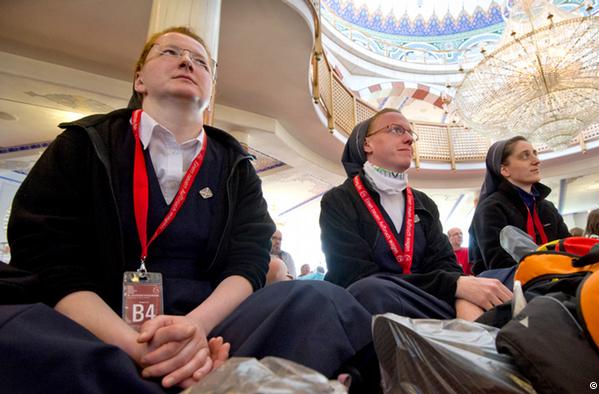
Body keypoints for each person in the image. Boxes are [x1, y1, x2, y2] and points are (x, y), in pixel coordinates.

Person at [0, 27, 375, 393]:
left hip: (215, 328)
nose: (186, 61)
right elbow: (48, 256)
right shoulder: (84, 144)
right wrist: (135, 346)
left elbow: (248, 259)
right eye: (170, 52)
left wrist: (196, 330)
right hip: (95, 324)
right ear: (139, 80)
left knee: (318, 301)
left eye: (201, 61)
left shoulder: (235, 165)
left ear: (210, 91)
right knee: (18, 333)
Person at [320, 108, 512, 322]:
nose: (409, 138)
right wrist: (453, 286)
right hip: (370, 305)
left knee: (500, 285)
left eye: (410, 133)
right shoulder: (339, 200)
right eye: (396, 129)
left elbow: (445, 265)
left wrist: (461, 295)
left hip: (423, 301)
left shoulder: (423, 202)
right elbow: (355, 275)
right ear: (367, 144)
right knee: (370, 290)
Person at [469, 136, 570, 275]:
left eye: (535, 153)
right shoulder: (490, 209)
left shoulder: (548, 207)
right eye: (525, 156)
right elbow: (499, 265)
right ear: (504, 170)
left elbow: (568, 246)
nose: (536, 161)